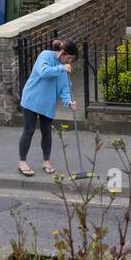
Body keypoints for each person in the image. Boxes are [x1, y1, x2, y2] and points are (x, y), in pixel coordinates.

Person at [17, 38, 78, 176]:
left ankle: (46, 161)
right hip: (32, 99)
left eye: (71, 60)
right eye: (69, 58)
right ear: (62, 53)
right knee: (29, 130)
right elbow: (43, 72)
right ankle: (22, 162)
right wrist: (61, 68)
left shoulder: (65, 69)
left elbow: (65, 89)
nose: (69, 62)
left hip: (47, 103)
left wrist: (69, 102)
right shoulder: (45, 55)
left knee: (47, 132)